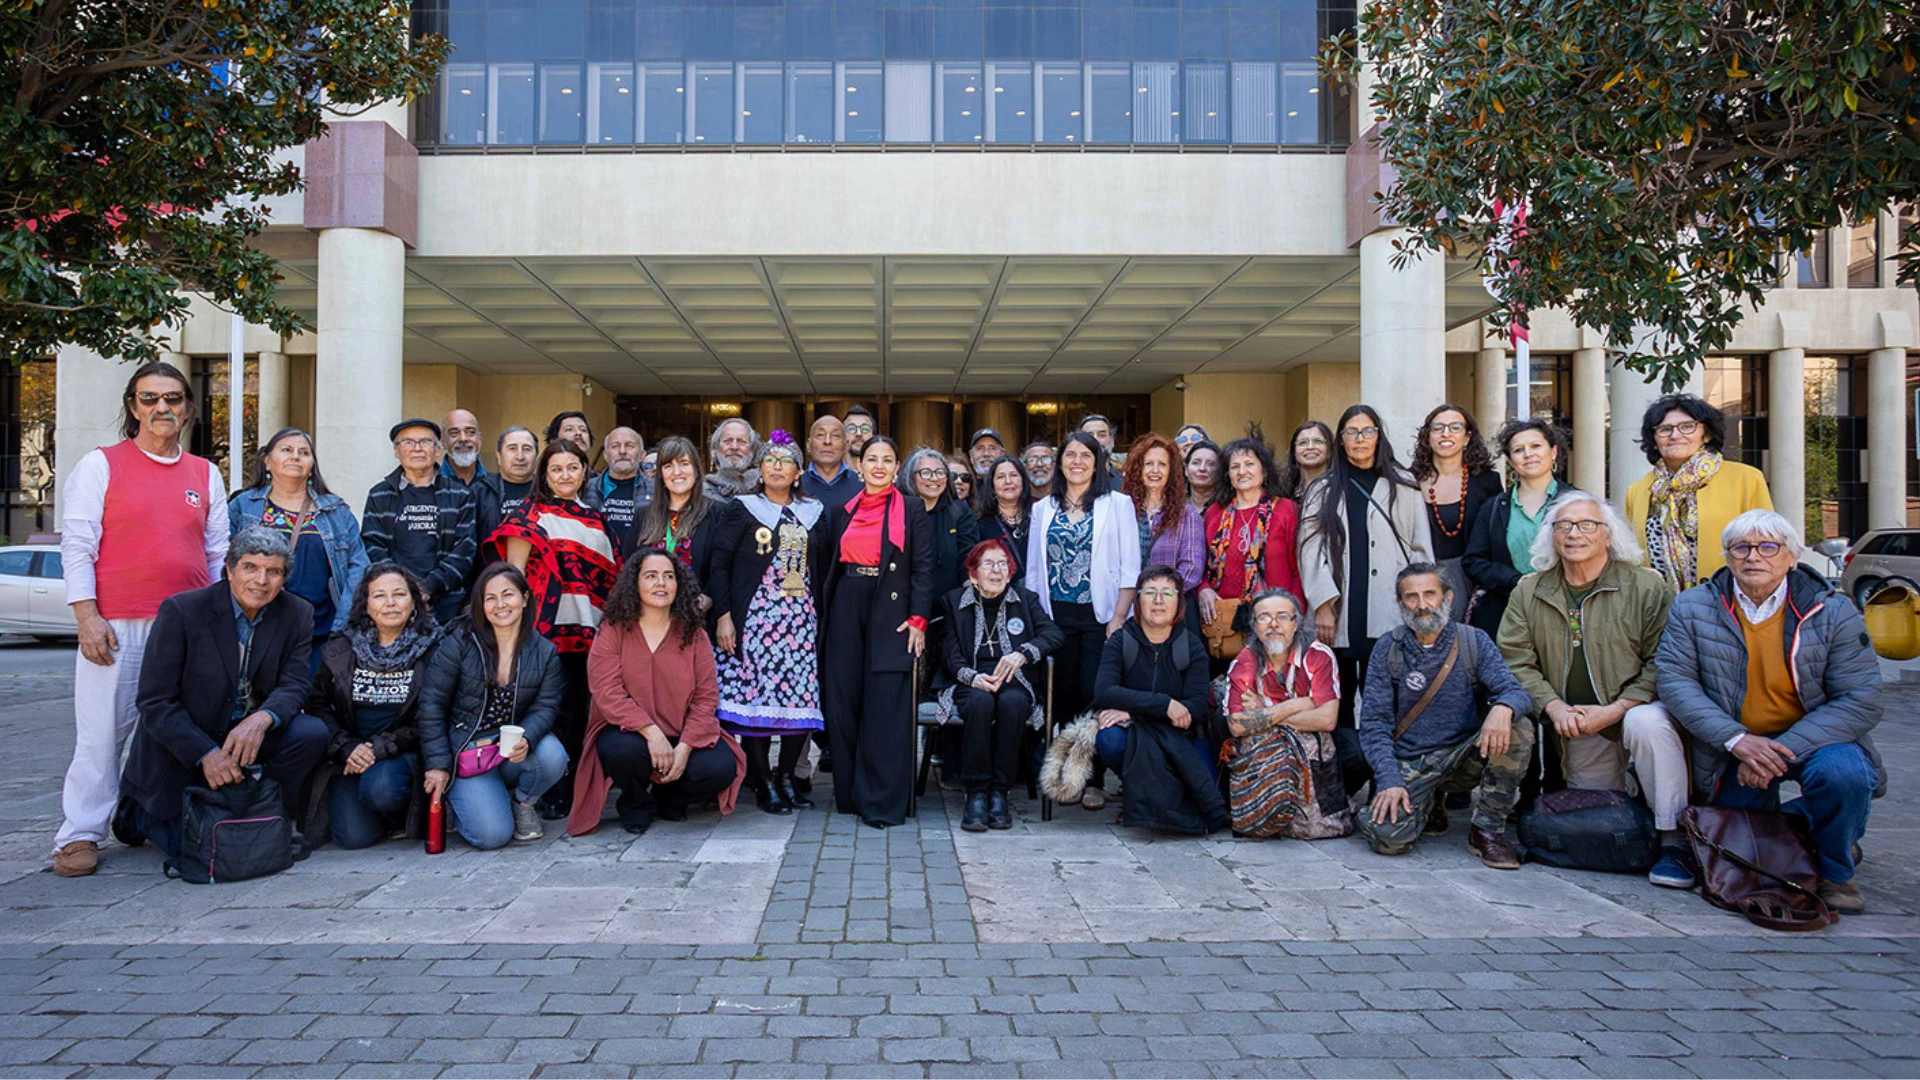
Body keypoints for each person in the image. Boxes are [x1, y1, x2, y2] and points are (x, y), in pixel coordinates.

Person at [1656, 510, 1883, 914]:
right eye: (1741, 547)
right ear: (1727, 556)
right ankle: (1816, 836)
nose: (1753, 557)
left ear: (1792, 557)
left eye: (1767, 547)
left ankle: (1836, 874)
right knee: (1743, 845)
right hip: (1733, 746)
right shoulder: (1692, 607)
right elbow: (1675, 682)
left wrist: (1778, 752)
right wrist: (1738, 740)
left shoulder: (1833, 611)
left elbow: (1860, 699)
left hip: (1814, 740)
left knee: (1843, 776)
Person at [54, 361, 230, 878]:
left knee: (181, 729)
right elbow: (78, 545)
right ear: (133, 406)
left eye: (173, 399)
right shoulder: (101, 465)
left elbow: (217, 552)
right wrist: (87, 617)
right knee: (102, 733)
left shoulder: (205, 472)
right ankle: (79, 834)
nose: (162, 408)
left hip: (187, 627)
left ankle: (156, 815)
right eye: (150, 398)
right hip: (118, 622)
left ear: (187, 409)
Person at [1498, 492, 1692, 886]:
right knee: (1602, 815)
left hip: (1633, 708)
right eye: (1564, 526)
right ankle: (1642, 820)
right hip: (1578, 722)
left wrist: (1619, 707)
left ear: (1608, 536)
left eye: (1588, 525)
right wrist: (1553, 708)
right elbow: (1515, 659)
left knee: (1646, 725)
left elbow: (1665, 659)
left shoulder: (1645, 588)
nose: (1574, 534)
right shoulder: (1530, 591)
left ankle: (1676, 844)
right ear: (1551, 537)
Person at [114, 527, 327, 860]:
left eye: (273, 572)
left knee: (311, 733)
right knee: (194, 850)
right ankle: (137, 813)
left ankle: (262, 807)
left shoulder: (297, 613)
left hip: (245, 734)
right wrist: (205, 753)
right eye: (250, 568)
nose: (261, 580)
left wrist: (261, 719)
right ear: (229, 570)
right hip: (188, 738)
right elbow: (155, 702)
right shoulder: (182, 612)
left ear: (284, 578)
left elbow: (294, 684)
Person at [1355, 564, 1536, 868]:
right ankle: (1429, 801)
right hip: (1412, 759)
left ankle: (1487, 830)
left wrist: (1503, 709)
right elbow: (1374, 724)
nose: (1422, 605)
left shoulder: (1472, 641)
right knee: (1388, 838)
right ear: (1401, 605)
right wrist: (1388, 779)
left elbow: (1516, 691)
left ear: (1448, 598)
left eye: (1430, 594)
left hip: (1465, 755)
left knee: (1520, 726)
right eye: (1411, 597)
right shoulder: (1389, 648)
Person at [1299, 404, 1434, 793]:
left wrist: (1420, 604)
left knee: (1387, 703)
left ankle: (1386, 784)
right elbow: (1310, 550)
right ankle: (1338, 786)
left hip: (1389, 611)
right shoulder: (1322, 489)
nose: (1360, 439)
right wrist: (1323, 602)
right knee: (1335, 703)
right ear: (1340, 440)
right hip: (1338, 613)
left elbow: (1420, 551)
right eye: (1351, 432)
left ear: (1379, 435)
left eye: (1367, 430)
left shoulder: (1404, 485)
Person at [570, 549, 747, 836]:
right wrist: (651, 733)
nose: (660, 583)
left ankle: (671, 798)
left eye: (668, 576)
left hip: (680, 731)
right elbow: (607, 691)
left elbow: (706, 697)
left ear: (679, 585)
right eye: (650, 576)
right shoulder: (613, 629)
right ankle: (636, 803)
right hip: (629, 733)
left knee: (720, 767)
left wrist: (685, 747)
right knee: (619, 751)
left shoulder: (695, 634)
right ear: (635, 584)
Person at [489, 439, 622, 819]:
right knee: (551, 714)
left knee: (583, 714)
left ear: (585, 471)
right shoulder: (527, 517)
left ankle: (581, 787)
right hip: (545, 638)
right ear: (544, 474)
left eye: (573, 468)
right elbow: (512, 580)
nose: (565, 476)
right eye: (556, 469)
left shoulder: (598, 519)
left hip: (591, 634)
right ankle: (552, 791)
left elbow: (613, 577)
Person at [709, 431, 828, 815]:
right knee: (756, 705)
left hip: (801, 622)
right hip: (756, 620)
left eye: (785, 461)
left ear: (798, 472)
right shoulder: (742, 509)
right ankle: (761, 782)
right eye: (770, 461)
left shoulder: (816, 512)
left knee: (800, 703)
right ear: (759, 469)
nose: (777, 467)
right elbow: (720, 564)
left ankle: (787, 779)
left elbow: (824, 570)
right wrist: (724, 616)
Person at [821, 436, 934, 829]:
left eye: (888, 459)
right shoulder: (841, 509)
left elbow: (923, 569)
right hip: (847, 604)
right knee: (844, 699)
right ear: (861, 465)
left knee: (885, 703)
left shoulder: (914, 509)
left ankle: (883, 802)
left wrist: (919, 619)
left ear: (897, 464)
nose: (880, 466)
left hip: (893, 610)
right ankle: (850, 795)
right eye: (872, 459)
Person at [1024, 431, 1141, 811]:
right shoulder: (1043, 508)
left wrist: (1120, 616)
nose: (1077, 461)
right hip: (1055, 616)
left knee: (1094, 694)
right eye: (1069, 455)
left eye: (1085, 455)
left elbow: (1130, 566)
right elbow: (1033, 570)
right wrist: (1037, 621)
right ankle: (1059, 774)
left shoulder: (1117, 504)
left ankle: (1091, 779)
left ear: (1097, 461)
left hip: (1100, 615)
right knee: (1062, 695)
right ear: (1060, 464)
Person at [417, 564, 569, 850]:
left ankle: (522, 802)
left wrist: (528, 737)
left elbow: (546, 706)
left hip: (509, 751)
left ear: (525, 598)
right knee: (492, 836)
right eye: (490, 598)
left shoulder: (544, 651)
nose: (500, 605)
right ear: (480, 605)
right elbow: (431, 705)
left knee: (553, 755)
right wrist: (438, 764)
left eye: (508, 595)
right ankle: (470, 803)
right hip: (467, 753)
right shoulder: (459, 643)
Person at [305, 563, 441, 850]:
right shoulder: (341, 647)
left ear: (414, 602)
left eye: (399, 594)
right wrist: (346, 748)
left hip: (401, 753)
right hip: (349, 755)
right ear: (365, 605)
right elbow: (317, 704)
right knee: (354, 838)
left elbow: (433, 713)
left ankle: (401, 813)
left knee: (382, 790)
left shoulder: (435, 648)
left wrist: (379, 748)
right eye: (379, 595)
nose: (390, 603)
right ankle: (378, 817)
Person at [936, 538, 1062, 832]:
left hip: (1014, 679)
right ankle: (976, 793)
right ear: (973, 574)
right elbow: (950, 653)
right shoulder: (954, 601)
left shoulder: (1025, 600)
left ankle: (1000, 792)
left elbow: (1053, 634)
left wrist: (1023, 653)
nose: (996, 570)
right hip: (969, 677)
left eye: (1003, 564)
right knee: (980, 702)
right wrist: (972, 677)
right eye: (988, 564)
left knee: (1014, 702)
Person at [1090, 566, 1226, 834]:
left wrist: (1134, 711)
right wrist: (1164, 705)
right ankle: (1136, 791)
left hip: (1182, 736)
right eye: (1150, 592)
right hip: (1136, 733)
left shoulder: (1191, 645)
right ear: (1138, 600)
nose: (1158, 601)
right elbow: (1104, 691)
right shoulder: (1121, 640)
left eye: (1167, 593)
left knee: (1205, 791)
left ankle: (1150, 799)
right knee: (1109, 739)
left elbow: (1196, 706)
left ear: (1179, 602)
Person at [230, 428, 370, 676]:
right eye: (287, 450)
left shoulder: (336, 511)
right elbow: (225, 560)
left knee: (314, 702)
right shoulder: (243, 506)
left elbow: (358, 567)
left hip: (321, 630)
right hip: (257, 625)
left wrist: (342, 625)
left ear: (312, 466)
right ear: (267, 461)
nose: (296, 456)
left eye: (303, 452)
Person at [1220, 588, 1350, 840]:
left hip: (1311, 753)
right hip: (1264, 758)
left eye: (1282, 617)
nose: (1273, 625)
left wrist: (1265, 712)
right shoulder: (1245, 661)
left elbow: (1327, 719)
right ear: (1254, 626)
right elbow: (1236, 725)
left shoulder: (1318, 656)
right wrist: (1300, 704)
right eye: (1264, 618)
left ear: (1296, 623)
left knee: (1343, 748)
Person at [1625, 393, 1774, 592]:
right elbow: (1630, 554)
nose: (1675, 435)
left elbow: (1768, 545)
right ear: (1653, 439)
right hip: (1659, 607)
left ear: (1706, 434)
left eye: (1687, 426)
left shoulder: (1745, 479)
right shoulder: (1639, 490)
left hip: (1727, 600)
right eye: (1664, 429)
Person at [361, 418, 478, 625]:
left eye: (425, 442)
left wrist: (427, 588)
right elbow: (373, 546)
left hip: (449, 605)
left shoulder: (460, 495)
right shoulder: (379, 495)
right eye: (408, 442)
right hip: (394, 604)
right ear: (396, 451)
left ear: (437, 449)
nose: (417, 449)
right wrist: (403, 589)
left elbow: (464, 551)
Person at [1198, 433, 1303, 659]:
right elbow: (1201, 566)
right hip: (1224, 627)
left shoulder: (1286, 510)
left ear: (1264, 471)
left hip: (1274, 622)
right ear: (1228, 475)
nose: (1241, 471)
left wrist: (1294, 616)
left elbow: (1297, 571)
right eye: (1234, 466)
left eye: (1249, 464)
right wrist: (1203, 588)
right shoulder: (1215, 513)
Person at [1464, 419, 1569, 637]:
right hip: (1506, 616)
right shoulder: (1492, 508)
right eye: (1519, 450)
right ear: (1511, 461)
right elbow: (1474, 562)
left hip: (1566, 614)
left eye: (1536, 446)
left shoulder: (1578, 503)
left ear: (1553, 452)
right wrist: (1515, 580)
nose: (1528, 454)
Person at [1411, 404, 1505, 621]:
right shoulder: (1409, 481)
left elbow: (1495, 536)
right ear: (1427, 437)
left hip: (1470, 579)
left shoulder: (1487, 481)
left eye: (1455, 427)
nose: (1446, 433)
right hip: (1420, 577)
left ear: (1467, 437)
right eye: (1438, 428)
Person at [1120, 433, 1203, 631]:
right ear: (1138, 469)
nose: (1154, 470)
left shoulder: (1187, 514)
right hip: (1127, 610)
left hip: (1171, 614)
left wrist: (1157, 598)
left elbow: (1191, 569)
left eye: (1162, 465)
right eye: (1148, 464)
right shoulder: (1122, 510)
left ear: (1172, 471)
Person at [635, 436, 722, 616]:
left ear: (696, 470)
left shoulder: (717, 513)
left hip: (699, 615)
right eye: (668, 466)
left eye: (684, 463)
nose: (677, 472)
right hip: (651, 616)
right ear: (661, 475)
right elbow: (631, 566)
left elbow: (722, 567)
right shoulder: (643, 515)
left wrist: (708, 597)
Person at [901, 446, 981, 609]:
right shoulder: (899, 510)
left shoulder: (958, 512)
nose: (934, 478)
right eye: (926, 473)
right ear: (911, 476)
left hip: (948, 606)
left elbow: (967, 556)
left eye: (940, 472)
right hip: (905, 605)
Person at [472, 425, 540, 552]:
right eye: (512, 448)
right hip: (491, 569)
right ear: (498, 456)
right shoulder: (479, 492)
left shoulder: (548, 492)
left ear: (536, 456)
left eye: (527, 449)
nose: (520, 456)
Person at [975, 455, 1035, 576]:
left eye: (1014, 475)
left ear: (1023, 481)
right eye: (1001, 477)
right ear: (992, 486)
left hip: (1037, 590)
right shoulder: (980, 523)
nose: (1008, 481)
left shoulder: (1037, 516)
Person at [594, 427, 651, 553]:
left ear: (642, 455)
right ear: (605, 455)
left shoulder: (656, 491)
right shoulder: (588, 489)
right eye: (615, 446)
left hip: (641, 567)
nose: (622, 451)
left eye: (629, 446)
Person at [802, 414, 861, 508]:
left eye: (835, 435)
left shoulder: (861, 486)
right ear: (809, 445)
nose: (827, 441)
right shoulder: (796, 486)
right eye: (820, 435)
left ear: (846, 446)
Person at [1277, 421, 1334, 501]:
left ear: (1330, 449)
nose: (1310, 447)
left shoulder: (1341, 488)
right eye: (1303, 443)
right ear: (1294, 452)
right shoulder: (1281, 491)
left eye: (1318, 441)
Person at [707, 418, 761, 500]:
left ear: (752, 449)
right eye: (727, 441)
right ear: (716, 448)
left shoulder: (767, 490)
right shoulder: (704, 493)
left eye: (742, 441)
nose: (734, 447)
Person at [441, 409, 487, 487]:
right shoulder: (432, 484)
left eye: (470, 432)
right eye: (454, 433)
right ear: (443, 442)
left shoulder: (494, 486)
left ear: (479, 439)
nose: (463, 439)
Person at [1184, 439, 1223, 511]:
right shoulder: (1175, 505)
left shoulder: (1227, 508)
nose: (1202, 469)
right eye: (1196, 463)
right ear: (1186, 470)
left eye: (1211, 464)